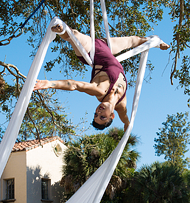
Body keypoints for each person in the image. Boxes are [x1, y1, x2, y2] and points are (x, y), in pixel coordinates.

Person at [33, 20, 170, 130]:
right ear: (112, 116)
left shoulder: (99, 91)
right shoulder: (121, 104)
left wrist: (48, 84)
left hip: (93, 53)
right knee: (134, 41)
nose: (98, 112)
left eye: (95, 114)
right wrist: (127, 126)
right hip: (108, 50)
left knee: (74, 35)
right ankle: (155, 41)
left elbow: (74, 85)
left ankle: (62, 29)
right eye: (102, 117)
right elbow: (125, 118)